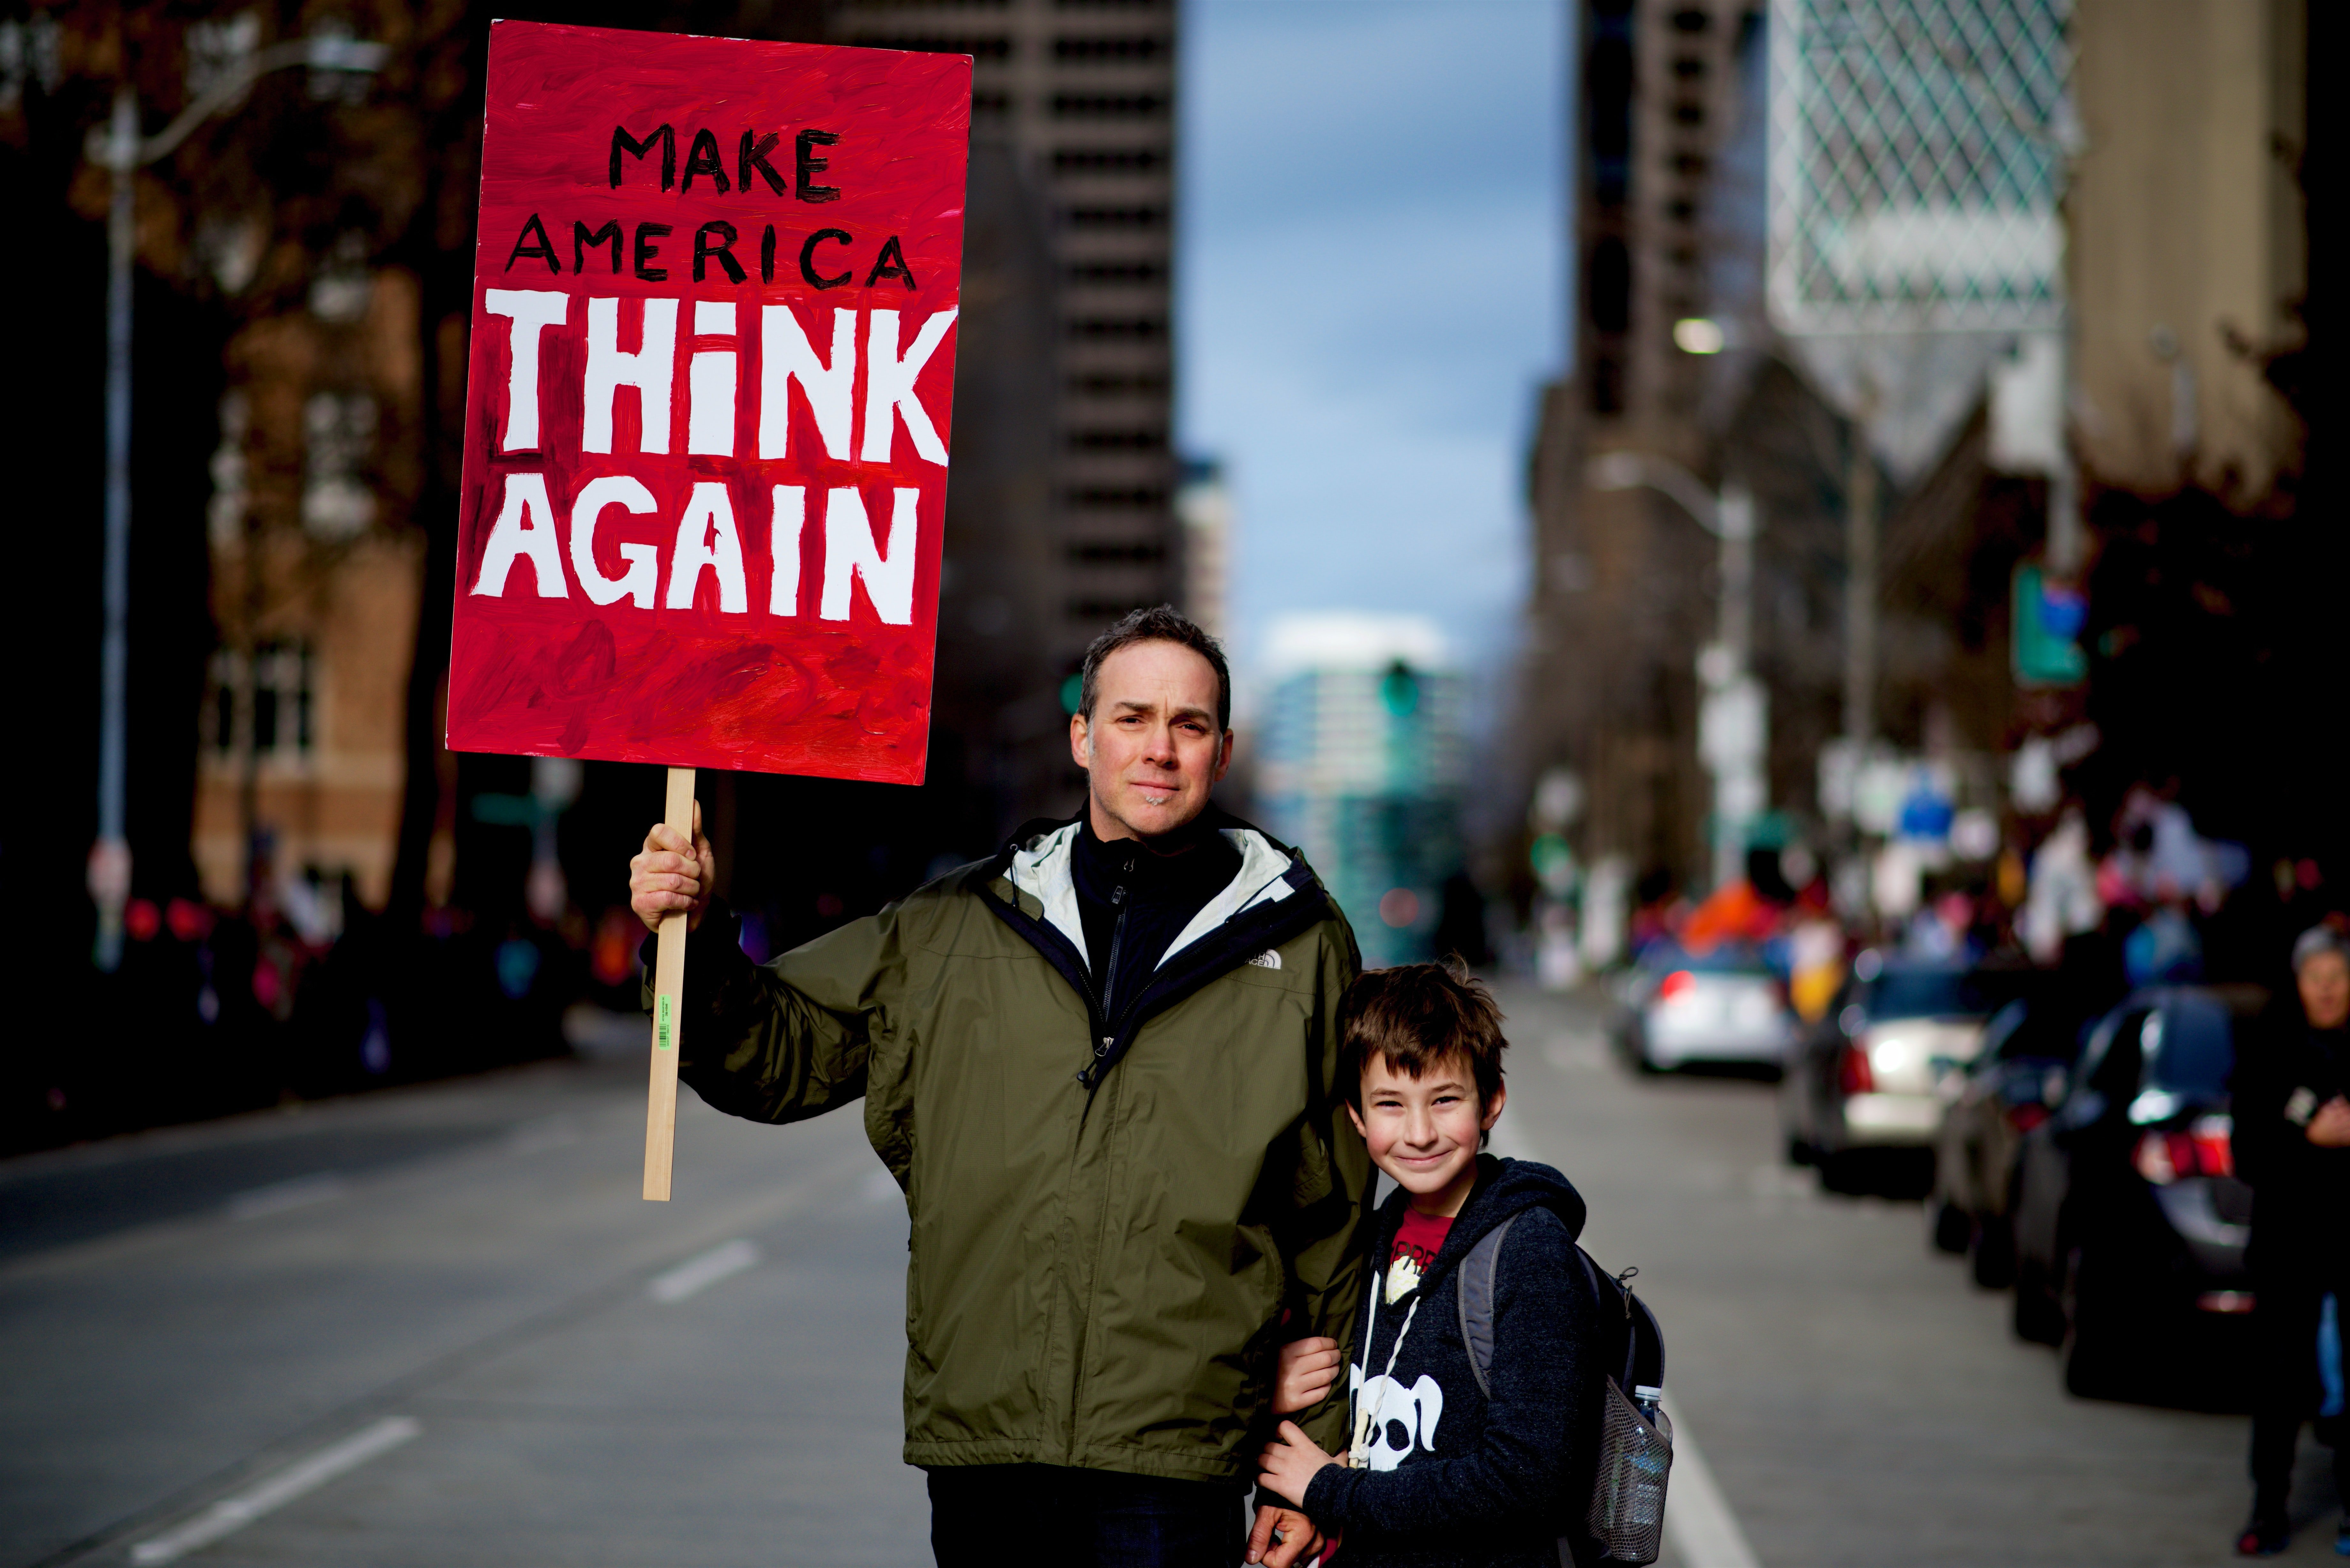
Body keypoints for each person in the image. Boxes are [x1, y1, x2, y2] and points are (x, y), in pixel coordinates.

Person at [628, 606, 1367, 1568]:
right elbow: (776, 1055)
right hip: (988, 1450)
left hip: (1178, 1460)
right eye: (1133, 718)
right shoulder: (953, 926)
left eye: (1188, 726)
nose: (1159, 750)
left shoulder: (1302, 943)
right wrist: (692, 939)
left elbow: (1337, 1223)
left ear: (1221, 752)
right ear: (1082, 736)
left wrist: (1313, 1462)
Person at [1250, 962, 1601, 1568]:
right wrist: (1266, 1394)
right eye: (1390, 1103)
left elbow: (1529, 1480)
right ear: (1357, 1118)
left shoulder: (1528, 1250)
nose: (1418, 1133)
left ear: (1491, 1102)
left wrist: (1332, 1494)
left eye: (1444, 1100)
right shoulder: (1368, 1241)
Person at [2233, 925, 2350, 1556]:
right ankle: (2266, 1510)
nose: (2328, 990)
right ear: (2298, 982)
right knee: (2279, 1384)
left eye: (2338, 977)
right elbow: (2247, 1151)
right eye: (2316, 978)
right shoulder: (2270, 1049)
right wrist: (2307, 1138)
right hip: (2288, 1244)